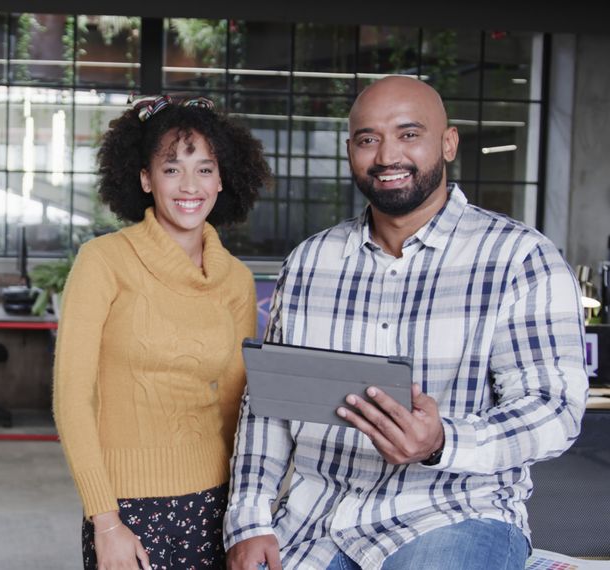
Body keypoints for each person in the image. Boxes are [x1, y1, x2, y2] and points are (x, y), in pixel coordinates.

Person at [224, 75, 588, 570]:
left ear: (449, 143)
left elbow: (554, 410)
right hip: (313, 524)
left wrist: (442, 441)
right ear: (350, 149)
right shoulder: (311, 262)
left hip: (451, 515)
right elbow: (267, 403)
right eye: (368, 139)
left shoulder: (519, 258)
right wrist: (249, 521)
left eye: (409, 134)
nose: (386, 155)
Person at [53, 94, 272, 570]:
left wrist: (251, 514)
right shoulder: (103, 261)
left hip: (220, 503)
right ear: (146, 180)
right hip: (127, 508)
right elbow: (72, 396)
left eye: (205, 168)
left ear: (222, 179)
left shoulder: (235, 278)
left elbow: (238, 406)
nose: (190, 185)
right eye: (172, 169)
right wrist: (104, 521)